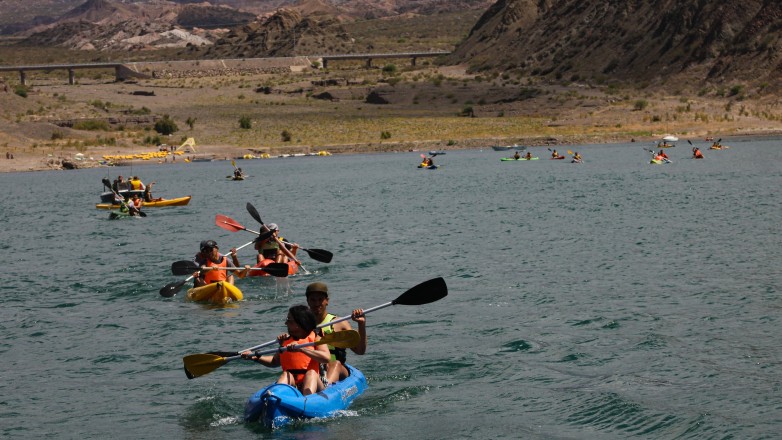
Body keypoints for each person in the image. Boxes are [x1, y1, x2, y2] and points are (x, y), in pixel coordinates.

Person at [241, 305, 331, 395]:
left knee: (311, 373)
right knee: (286, 374)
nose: (286, 323)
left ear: (299, 323)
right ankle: (276, 398)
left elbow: (326, 358)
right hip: (294, 383)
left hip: (315, 384)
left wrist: (302, 349)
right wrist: (255, 357)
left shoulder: (316, 338)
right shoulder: (286, 341)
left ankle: (307, 402)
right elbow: (274, 361)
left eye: (289, 320)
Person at [304, 282, 366, 385]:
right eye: (313, 300)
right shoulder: (302, 326)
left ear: (327, 301)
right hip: (313, 370)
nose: (316, 303)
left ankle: (326, 388)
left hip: (338, 370)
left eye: (320, 299)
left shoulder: (339, 323)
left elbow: (360, 351)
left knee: (335, 364)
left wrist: (361, 325)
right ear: (308, 302)